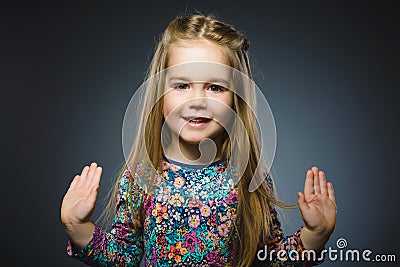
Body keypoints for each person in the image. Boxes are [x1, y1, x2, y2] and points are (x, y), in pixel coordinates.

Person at [61, 14, 337, 267]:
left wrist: (315, 235)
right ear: (160, 92)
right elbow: (122, 258)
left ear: (235, 98)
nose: (197, 101)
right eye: (182, 86)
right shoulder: (141, 177)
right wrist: (78, 227)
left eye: (215, 87)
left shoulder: (247, 177)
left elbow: (270, 258)